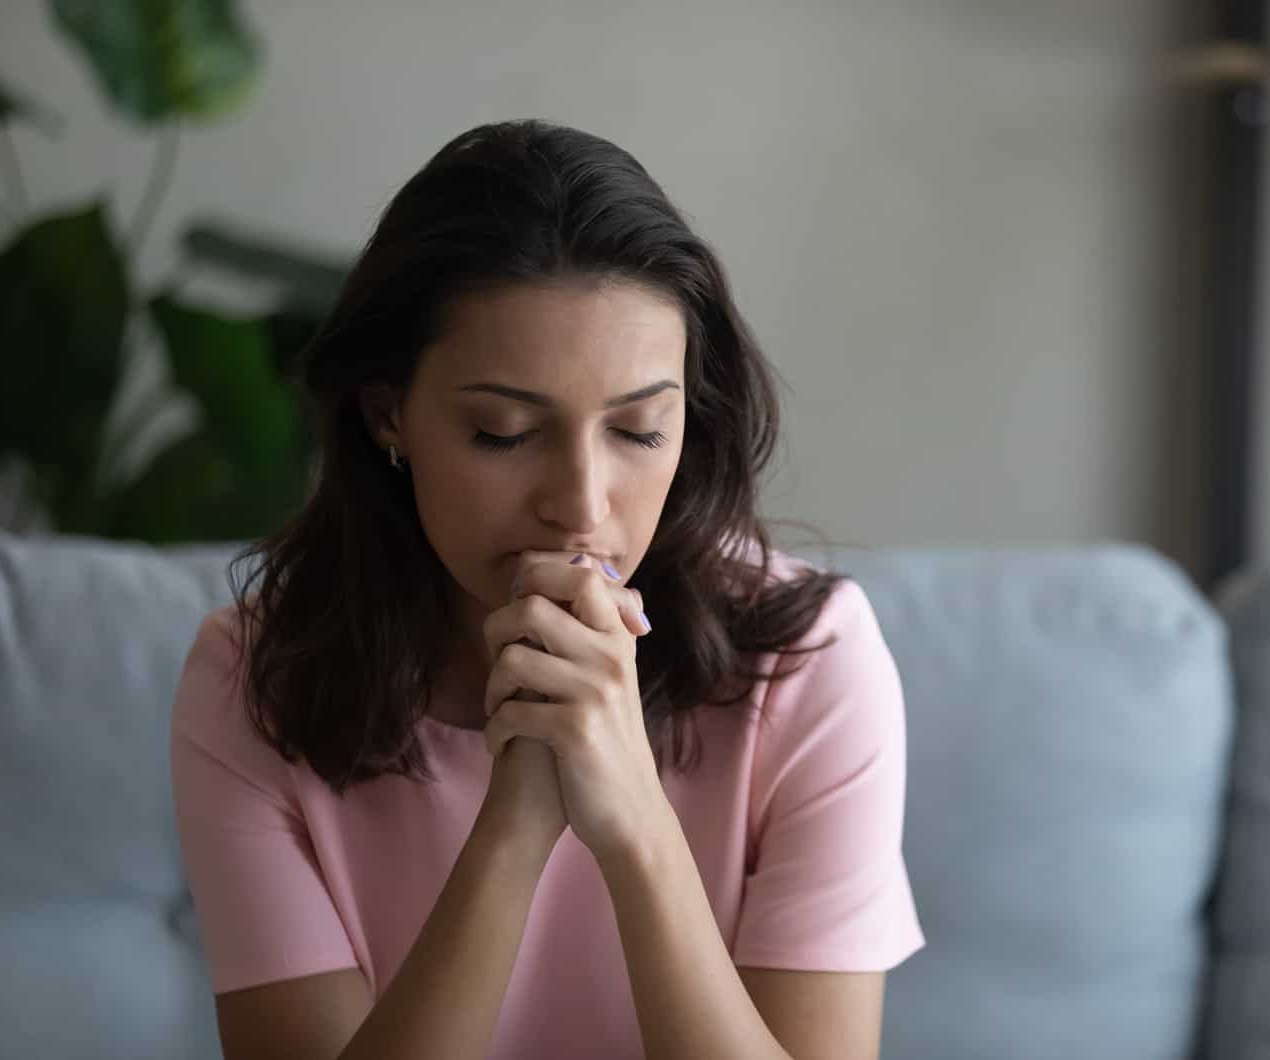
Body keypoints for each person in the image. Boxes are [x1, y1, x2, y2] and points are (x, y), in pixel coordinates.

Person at [169, 119, 923, 1060]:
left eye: (640, 431)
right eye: (502, 432)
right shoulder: (256, 678)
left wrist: (637, 826)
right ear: (387, 416)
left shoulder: (808, 663)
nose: (579, 506)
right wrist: (516, 824)